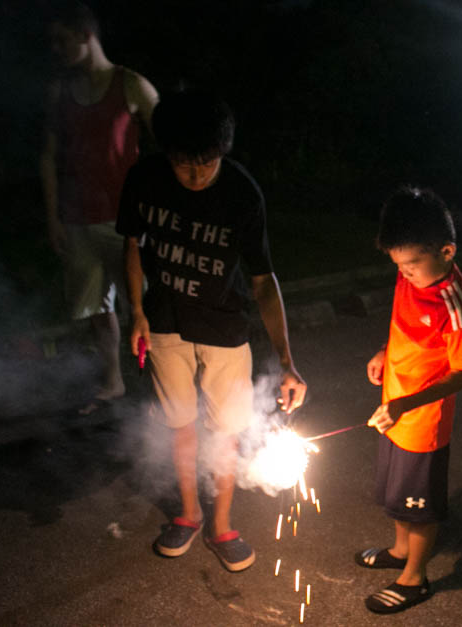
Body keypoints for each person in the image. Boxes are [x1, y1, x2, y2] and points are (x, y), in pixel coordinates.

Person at [116, 88, 307, 572]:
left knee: (223, 432)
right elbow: (133, 245)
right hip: (164, 321)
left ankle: (222, 524)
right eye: (184, 164)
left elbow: (263, 281)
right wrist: (136, 309)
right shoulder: (145, 178)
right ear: (167, 154)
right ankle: (189, 513)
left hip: (224, 325)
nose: (196, 174)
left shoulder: (242, 194)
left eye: (206, 163)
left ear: (223, 151)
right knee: (180, 425)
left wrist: (287, 362)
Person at [357, 187, 462, 613]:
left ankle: (415, 578)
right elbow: (404, 323)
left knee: (420, 503)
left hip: (421, 421)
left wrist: (408, 405)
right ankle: (400, 550)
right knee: (396, 491)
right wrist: (385, 353)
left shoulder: (454, 303)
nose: (404, 274)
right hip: (394, 406)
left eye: (411, 265)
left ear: (446, 251)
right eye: (399, 266)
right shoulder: (410, 275)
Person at [40, 1, 158, 414]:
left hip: (128, 220)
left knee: (143, 305)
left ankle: (163, 386)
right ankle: (113, 382)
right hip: (78, 219)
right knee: (94, 309)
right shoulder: (61, 93)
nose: (57, 48)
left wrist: (160, 207)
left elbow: (169, 143)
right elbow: (49, 156)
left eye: (63, 40)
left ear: (86, 36)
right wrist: (54, 215)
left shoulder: (130, 84)